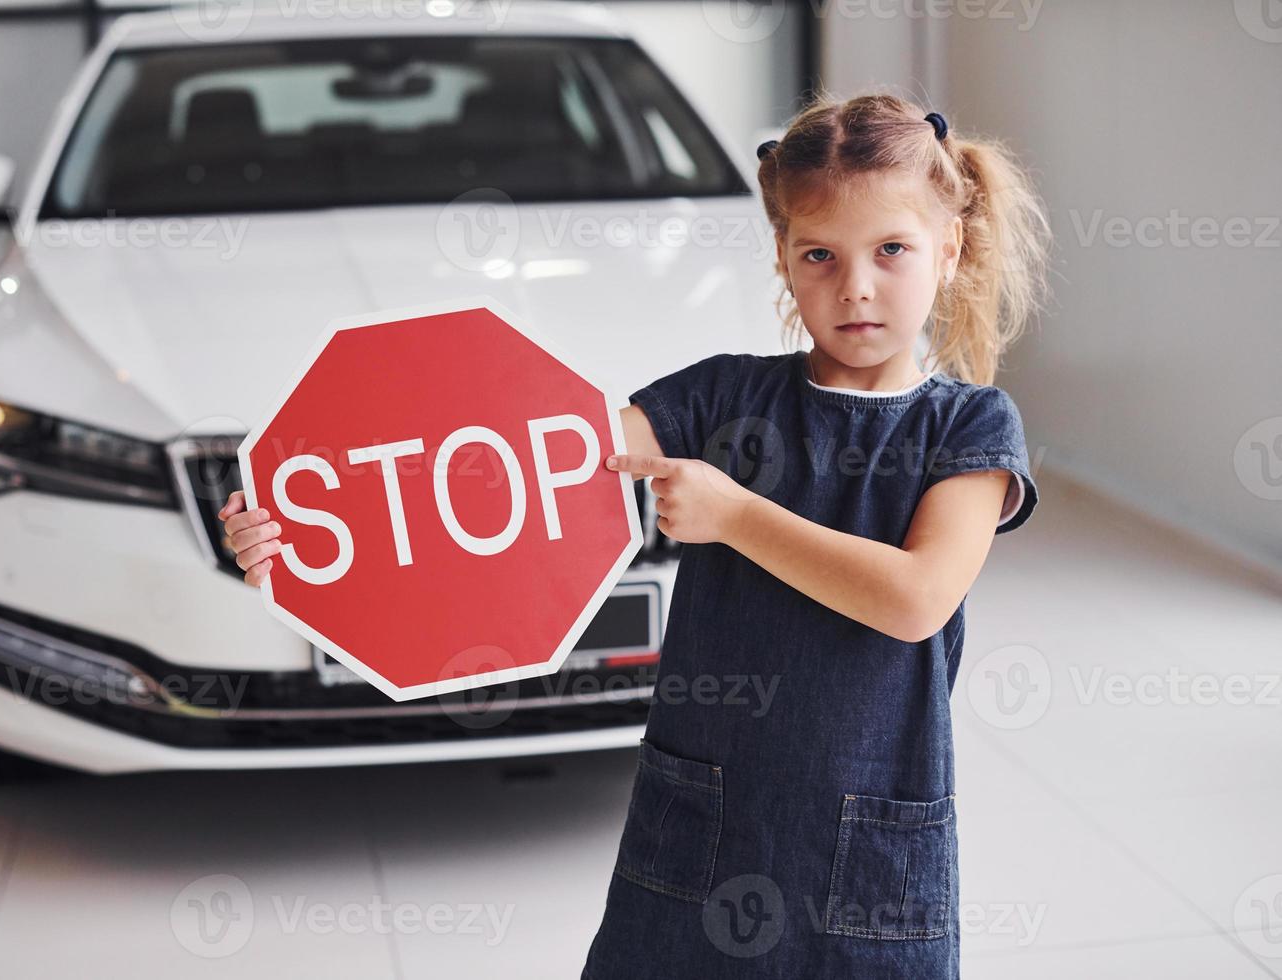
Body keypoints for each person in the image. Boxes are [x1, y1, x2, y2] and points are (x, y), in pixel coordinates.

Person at [217, 90, 1052, 979]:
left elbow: (917, 598)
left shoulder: (970, 428)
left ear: (949, 248)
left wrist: (735, 516)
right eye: (820, 254)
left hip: (868, 841)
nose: (855, 286)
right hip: (702, 823)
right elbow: (523, 474)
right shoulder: (719, 396)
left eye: (892, 250)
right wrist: (310, 526)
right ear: (783, 258)